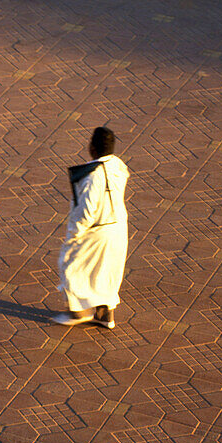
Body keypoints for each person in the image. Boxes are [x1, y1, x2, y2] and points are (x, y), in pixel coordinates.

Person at [52, 126, 129, 329]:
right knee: (106, 271)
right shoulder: (119, 166)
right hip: (118, 228)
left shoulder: (92, 176)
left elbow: (85, 212)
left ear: (92, 149)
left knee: (71, 264)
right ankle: (105, 315)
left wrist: (74, 234)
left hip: (97, 231)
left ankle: (78, 312)